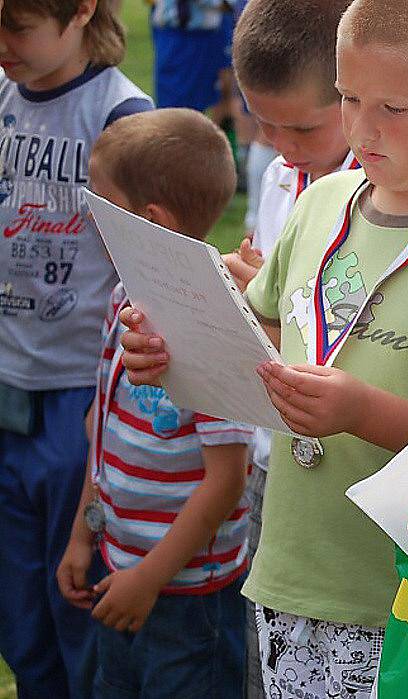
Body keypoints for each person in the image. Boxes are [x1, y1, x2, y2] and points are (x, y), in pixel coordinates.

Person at [119, 1, 408, 695]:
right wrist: (173, 349)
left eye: (393, 108)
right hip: (291, 573)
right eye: (349, 98)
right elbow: (265, 336)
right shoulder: (322, 201)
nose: (360, 127)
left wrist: (361, 410)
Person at [56, 108, 251, 698]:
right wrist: (83, 535)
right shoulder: (125, 300)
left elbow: (227, 479)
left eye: (102, 206)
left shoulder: (208, 324)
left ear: (147, 221)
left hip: (190, 602)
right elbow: (105, 426)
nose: (91, 218)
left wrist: (149, 579)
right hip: (121, 570)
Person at [0, 1, 152, 696]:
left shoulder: (120, 116)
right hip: (8, 382)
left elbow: (148, 271)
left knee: (78, 596)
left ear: (81, 10)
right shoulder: (3, 98)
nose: (3, 45)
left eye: (18, 26)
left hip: (80, 399)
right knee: (18, 607)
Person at [224, 1, 356, 694]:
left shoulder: (378, 192)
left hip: (346, 477)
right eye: (259, 122)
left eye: (302, 125)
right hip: (270, 457)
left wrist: (266, 303)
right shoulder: (282, 176)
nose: (280, 145)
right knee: (269, 662)